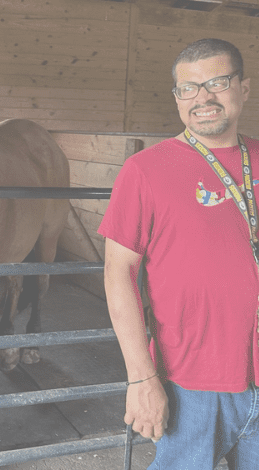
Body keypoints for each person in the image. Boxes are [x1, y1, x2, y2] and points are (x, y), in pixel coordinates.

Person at [99, 38, 259, 469]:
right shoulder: (146, 170)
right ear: (176, 98)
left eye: (218, 82)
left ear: (243, 88)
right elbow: (118, 274)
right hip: (191, 382)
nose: (203, 98)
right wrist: (141, 377)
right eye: (188, 88)